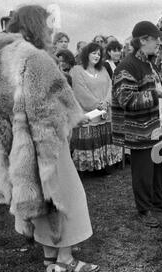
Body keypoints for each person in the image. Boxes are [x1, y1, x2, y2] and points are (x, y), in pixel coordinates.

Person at [0, 5, 98, 272]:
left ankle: (50, 255)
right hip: (46, 140)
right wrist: (78, 117)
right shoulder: (37, 58)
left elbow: (3, 105)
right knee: (66, 196)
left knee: (40, 196)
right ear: (36, 26)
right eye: (47, 24)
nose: (51, 29)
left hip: (18, 142)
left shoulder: (1, 56)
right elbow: (48, 106)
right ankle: (65, 259)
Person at [112, 21, 162, 228]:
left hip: (156, 126)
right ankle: (144, 209)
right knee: (143, 171)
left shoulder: (148, 63)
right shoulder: (126, 67)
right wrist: (156, 94)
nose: (159, 44)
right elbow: (127, 100)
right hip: (139, 130)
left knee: (160, 167)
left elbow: (152, 89)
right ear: (143, 40)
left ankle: (157, 201)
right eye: (156, 40)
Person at [70, 42, 122, 173]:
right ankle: (91, 167)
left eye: (99, 54)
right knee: (91, 138)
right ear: (86, 54)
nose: (97, 56)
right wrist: (97, 104)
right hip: (89, 113)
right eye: (94, 53)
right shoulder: (77, 70)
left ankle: (105, 164)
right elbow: (80, 91)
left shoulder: (103, 69)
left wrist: (106, 102)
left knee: (105, 137)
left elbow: (111, 87)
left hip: (105, 111)